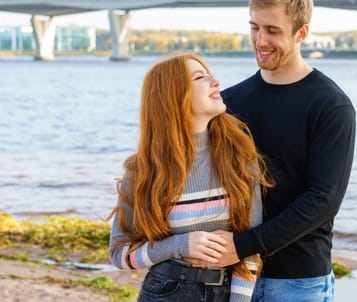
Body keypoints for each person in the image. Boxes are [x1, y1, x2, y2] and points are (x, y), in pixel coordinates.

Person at [217, 0, 356, 301]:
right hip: (231, 275)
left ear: (301, 33)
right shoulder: (229, 102)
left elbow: (323, 200)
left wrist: (242, 245)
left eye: (272, 30)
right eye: (254, 27)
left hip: (298, 280)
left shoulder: (331, 105)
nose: (260, 40)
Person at [108, 53, 272, 302]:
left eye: (210, 74)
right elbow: (119, 254)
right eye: (200, 77)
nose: (215, 81)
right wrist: (178, 245)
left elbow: (249, 250)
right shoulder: (143, 169)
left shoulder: (239, 156)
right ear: (175, 96)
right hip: (165, 291)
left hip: (225, 291)